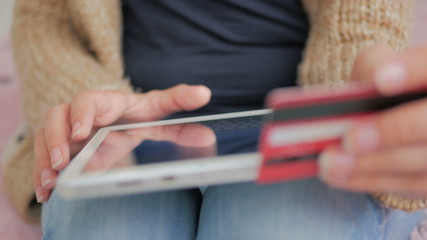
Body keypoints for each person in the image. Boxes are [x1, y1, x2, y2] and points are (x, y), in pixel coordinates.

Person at [2, 0, 426, 239]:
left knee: (273, 229)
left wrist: (350, 96)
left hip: (289, 133)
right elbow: (48, 22)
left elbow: (359, 28)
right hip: (130, 131)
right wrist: (96, 107)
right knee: (112, 229)